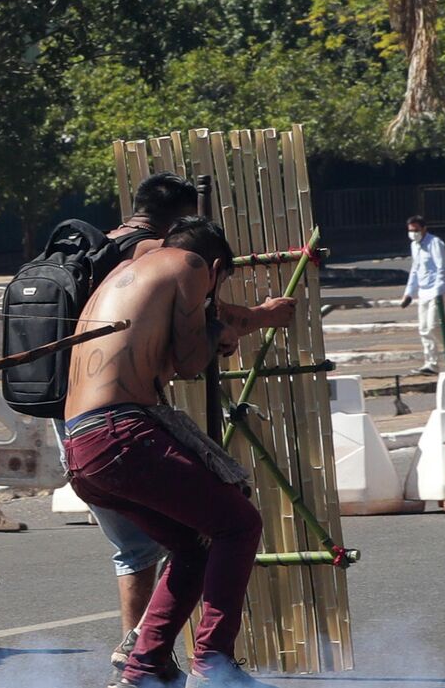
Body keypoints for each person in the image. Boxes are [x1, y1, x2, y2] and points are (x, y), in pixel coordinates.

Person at [79, 174, 295, 685]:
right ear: (216, 267)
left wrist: (217, 332)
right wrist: (220, 332)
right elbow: (194, 362)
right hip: (120, 434)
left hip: (82, 445)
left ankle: (145, 667)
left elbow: (173, 359)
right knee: (238, 524)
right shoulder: (192, 264)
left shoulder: (130, 270)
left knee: (194, 545)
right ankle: (213, 662)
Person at [400, 215, 445, 375]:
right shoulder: (414, 246)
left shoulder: (435, 243)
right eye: (410, 230)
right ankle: (431, 364)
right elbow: (415, 270)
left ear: (424, 229)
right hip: (423, 291)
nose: (413, 233)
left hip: (438, 290)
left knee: (433, 326)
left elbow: (442, 269)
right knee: (423, 329)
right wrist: (408, 293)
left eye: (416, 230)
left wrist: (437, 292)